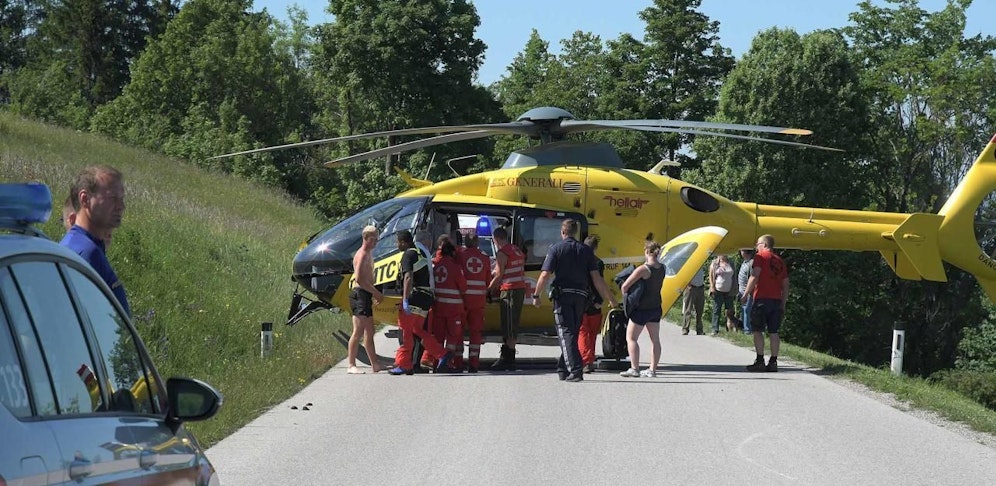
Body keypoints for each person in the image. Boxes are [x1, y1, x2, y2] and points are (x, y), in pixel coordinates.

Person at [534, 220, 618, 382]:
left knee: (565, 332)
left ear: (562, 232)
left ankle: (576, 370)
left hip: (563, 296)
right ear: (576, 232)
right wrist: (610, 299)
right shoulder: (586, 251)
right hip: (580, 297)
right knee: (571, 332)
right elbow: (596, 278)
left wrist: (536, 296)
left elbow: (545, 275)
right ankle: (562, 368)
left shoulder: (556, 249)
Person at [60, 166, 130, 316]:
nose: (121, 206)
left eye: (121, 199)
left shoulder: (87, 246)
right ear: (84, 199)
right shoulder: (85, 253)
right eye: (112, 198)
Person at [389, 230, 452, 375]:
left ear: (403, 242)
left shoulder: (408, 254)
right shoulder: (420, 253)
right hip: (426, 297)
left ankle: (404, 364)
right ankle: (441, 353)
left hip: (415, 296)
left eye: (397, 242)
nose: (397, 245)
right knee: (418, 330)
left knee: (405, 331)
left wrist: (405, 299)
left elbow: (408, 277)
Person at [618, 241, 666, 378]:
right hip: (656, 307)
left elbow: (625, 286)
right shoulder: (663, 268)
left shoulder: (643, 269)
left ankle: (634, 368)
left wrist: (627, 299)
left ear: (647, 252)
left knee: (631, 338)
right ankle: (652, 370)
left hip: (641, 309)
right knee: (655, 339)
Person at [741, 234, 789, 372]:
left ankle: (760, 360)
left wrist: (745, 294)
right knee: (774, 331)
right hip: (776, 300)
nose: (756, 247)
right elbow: (785, 284)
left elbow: (755, 275)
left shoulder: (760, 257)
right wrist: (783, 303)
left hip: (762, 298)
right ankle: (773, 362)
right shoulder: (779, 261)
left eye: (758, 244)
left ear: (765, 245)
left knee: (757, 330)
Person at [346, 225, 385, 374]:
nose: (376, 242)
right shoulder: (362, 254)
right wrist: (376, 293)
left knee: (370, 329)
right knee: (358, 330)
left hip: (365, 294)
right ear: (366, 238)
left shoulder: (368, 254)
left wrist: (373, 293)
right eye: (374, 239)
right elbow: (360, 279)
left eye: (377, 239)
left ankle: (375, 364)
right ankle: (351, 364)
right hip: (359, 293)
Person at [488, 226, 526, 371]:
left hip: (510, 290)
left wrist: (488, 289)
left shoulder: (502, 253)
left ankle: (509, 359)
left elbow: (499, 276)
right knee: (512, 322)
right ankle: (507, 356)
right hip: (519, 289)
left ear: (496, 239)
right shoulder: (516, 249)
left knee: (509, 325)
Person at [431, 235, 467, 373]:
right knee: (452, 336)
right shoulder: (455, 267)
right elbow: (463, 288)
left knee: (438, 336)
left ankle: (436, 363)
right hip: (453, 309)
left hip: (438, 307)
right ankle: (446, 363)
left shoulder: (434, 264)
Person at [461, 231, 491, 373]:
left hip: (463, 300)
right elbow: (487, 280)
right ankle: (474, 363)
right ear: (478, 243)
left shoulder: (460, 256)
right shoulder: (485, 258)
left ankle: (457, 362)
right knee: (475, 332)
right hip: (479, 300)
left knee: (457, 332)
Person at [578, 235, 605, 373]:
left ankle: (586, 360)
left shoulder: (578, 261)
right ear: (595, 247)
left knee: (582, 332)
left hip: (581, 301)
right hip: (595, 302)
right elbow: (599, 283)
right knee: (593, 333)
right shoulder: (598, 263)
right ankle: (590, 358)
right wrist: (600, 300)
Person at [709, 254, 736, 335]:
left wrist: (735, 287)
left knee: (730, 310)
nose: (723, 255)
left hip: (729, 290)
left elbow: (734, 276)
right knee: (717, 310)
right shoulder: (714, 263)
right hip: (718, 290)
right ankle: (715, 329)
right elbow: (711, 276)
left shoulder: (731, 263)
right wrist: (712, 287)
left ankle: (730, 327)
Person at [681, 267, 705, 335]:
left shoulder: (701, 263)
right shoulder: (692, 262)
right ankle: (685, 328)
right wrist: (687, 284)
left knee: (699, 310)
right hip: (691, 287)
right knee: (688, 310)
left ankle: (699, 329)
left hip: (700, 288)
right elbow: (684, 273)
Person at [737, 248, 754, 334]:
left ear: (745, 252)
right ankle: (745, 328)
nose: (740, 252)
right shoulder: (745, 262)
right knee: (744, 310)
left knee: (747, 310)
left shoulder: (751, 263)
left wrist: (747, 293)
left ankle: (747, 330)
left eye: (741, 251)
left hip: (748, 292)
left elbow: (752, 278)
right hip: (742, 291)